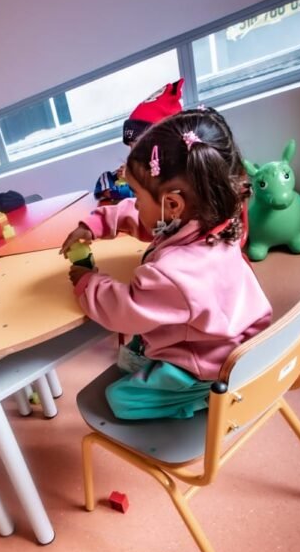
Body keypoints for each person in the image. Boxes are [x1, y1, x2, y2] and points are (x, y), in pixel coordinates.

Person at [60, 110, 272, 421]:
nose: (134, 202)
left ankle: (204, 396)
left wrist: (87, 281)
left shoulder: (171, 273)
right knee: (138, 351)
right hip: (229, 338)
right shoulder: (214, 217)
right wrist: (96, 223)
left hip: (206, 366)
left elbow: (124, 311)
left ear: (172, 205)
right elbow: (144, 220)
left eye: (137, 195)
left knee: (119, 400)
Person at [94, 78, 184, 204]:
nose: (131, 154)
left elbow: (148, 195)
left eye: (136, 147)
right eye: (130, 147)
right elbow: (105, 178)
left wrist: (128, 184)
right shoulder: (134, 167)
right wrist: (116, 183)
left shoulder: (176, 175)